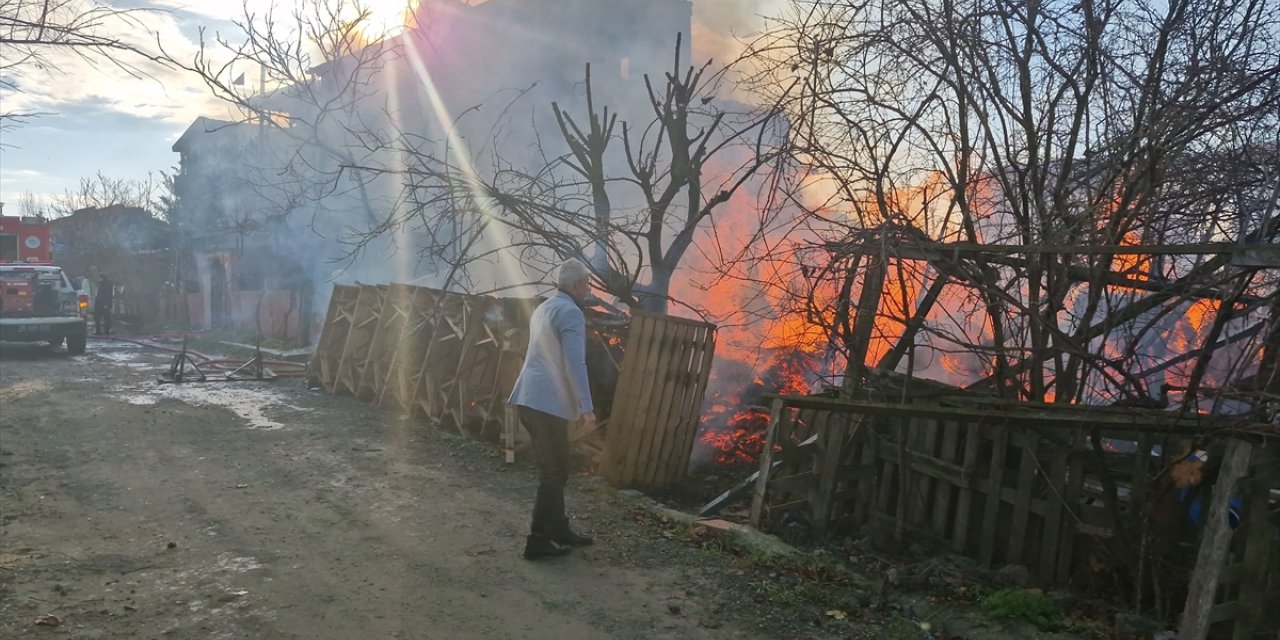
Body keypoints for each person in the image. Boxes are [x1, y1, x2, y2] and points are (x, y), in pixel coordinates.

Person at [507, 257, 597, 560]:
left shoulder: (545, 308)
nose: (588, 290)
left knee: (558, 469)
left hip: (532, 399)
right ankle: (538, 541)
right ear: (576, 285)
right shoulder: (571, 312)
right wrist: (587, 408)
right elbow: (575, 363)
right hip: (546, 403)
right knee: (553, 473)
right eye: (586, 284)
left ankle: (558, 529)